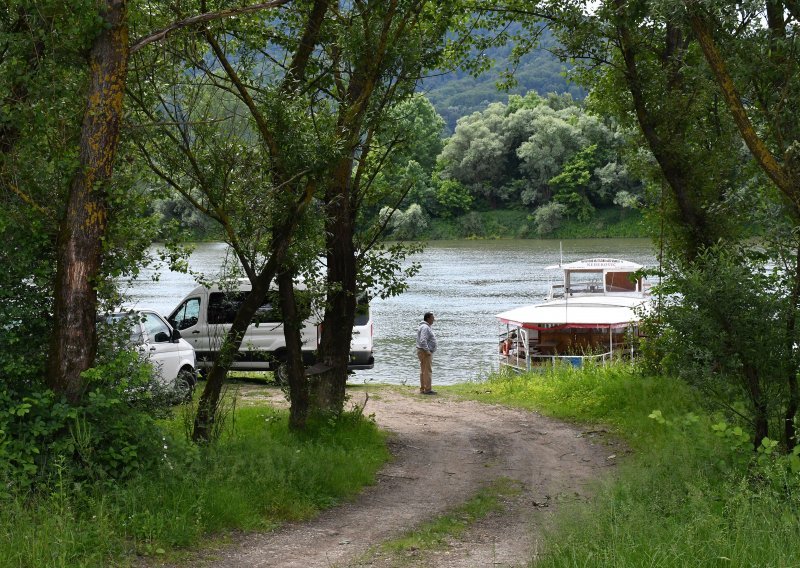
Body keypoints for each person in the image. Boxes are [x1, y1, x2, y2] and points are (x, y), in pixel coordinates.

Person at [416, 312, 437, 394]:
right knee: (427, 370)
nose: (433, 320)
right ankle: (427, 389)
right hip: (425, 352)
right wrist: (427, 351)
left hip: (422, 351)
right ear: (428, 318)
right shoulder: (425, 327)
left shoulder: (424, 326)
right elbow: (423, 340)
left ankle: (423, 388)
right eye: (432, 318)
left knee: (423, 370)